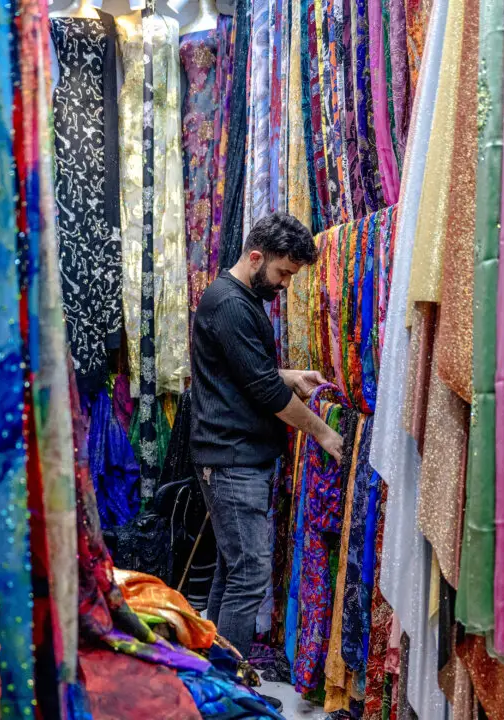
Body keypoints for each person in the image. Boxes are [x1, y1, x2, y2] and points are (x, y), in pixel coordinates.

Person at [189, 212, 343, 672]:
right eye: (282, 273)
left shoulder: (237, 297)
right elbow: (263, 392)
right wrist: (323, 431)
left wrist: (289, 375)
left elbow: (240, 373)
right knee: (249, 574)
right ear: (256, 257)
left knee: (232, 570)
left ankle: (214, 674)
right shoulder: (232, 304)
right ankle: (231, 685)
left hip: (233, 456)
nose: (285, 285)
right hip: (232, 459)